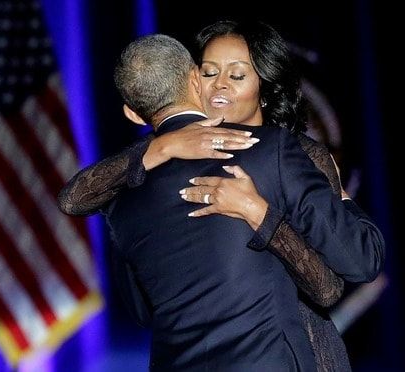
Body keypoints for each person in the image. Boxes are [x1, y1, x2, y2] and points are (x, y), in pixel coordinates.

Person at [58, 21, 367, 371]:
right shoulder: (264, 152)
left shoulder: (119, 193)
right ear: (194, 80)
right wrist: (257, 212)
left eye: (236, 76)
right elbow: (329, 285)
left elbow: (143, 309)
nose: (219, 84)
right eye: (210, 72)